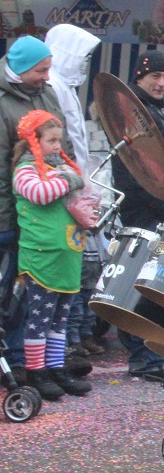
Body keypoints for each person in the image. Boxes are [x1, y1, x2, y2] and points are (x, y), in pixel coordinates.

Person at [114, 51, 164, 381]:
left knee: (156, 282)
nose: (161, 83)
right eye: (154, 77)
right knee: (148, 283)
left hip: (161, 207)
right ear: (138, 79)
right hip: (148, 210)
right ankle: (146, 357)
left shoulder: (157, 111)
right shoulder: (135, 114)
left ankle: (150, 354)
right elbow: (142, 169)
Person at [11, 110, 92, 399]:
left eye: (60, 140)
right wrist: (72, 181)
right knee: (40, 318)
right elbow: (40, 193)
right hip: (42, 257)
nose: (57, 146)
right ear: (34, 140)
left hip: (67, 256)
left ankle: (56, 367)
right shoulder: (25, 170)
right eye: (51, 140)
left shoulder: (59, 168)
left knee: (60, 318)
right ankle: (37, 371)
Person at [0, 35, 66, 385]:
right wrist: (8, 218)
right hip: (16, 212)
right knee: (10, 291)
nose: (45, 76)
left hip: (45, 215)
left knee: (30, 294)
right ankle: (11, 361)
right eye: (40, 70)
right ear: (22, 68)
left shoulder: (45, 92)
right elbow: (0, 168)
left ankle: (30, 364)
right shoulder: (2, 102)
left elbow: (60, 145)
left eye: (48, 69)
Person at [45, 24, 105, 359]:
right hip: (62, 195)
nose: (84, 65)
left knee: (74, 277)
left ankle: (64, 348)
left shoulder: (64, 87)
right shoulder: (54, 86)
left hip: (73, 189)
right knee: (64, 278)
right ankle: (61, 349)